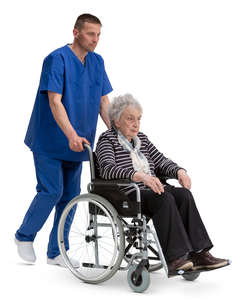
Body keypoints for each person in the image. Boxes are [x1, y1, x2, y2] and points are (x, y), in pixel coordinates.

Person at [15, 14, 113, 267]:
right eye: (91, 34)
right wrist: (69, 134)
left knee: (70, 195)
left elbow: (103, 101)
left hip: (80, 141)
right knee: (51, 190)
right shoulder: (56, 59)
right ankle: (24, 236)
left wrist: (116, 133)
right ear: (76, 32)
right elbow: (54, 100)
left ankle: (57, 251)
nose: (96, 40)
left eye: (99, 34)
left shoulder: (97, 62)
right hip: (50, 138)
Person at [95, 93, 228, 275]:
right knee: (163, 198)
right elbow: (107, 169)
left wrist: (179, 171)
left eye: (138, 119)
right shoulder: (107, 140)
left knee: (183, 195)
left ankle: (199, 254)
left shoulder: (142, 139)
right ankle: (175, 258)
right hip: (126, 194)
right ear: (117, 121)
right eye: (130, 119)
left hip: (151, 189)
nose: (136, 124)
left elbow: (161, 161)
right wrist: (139, 176)